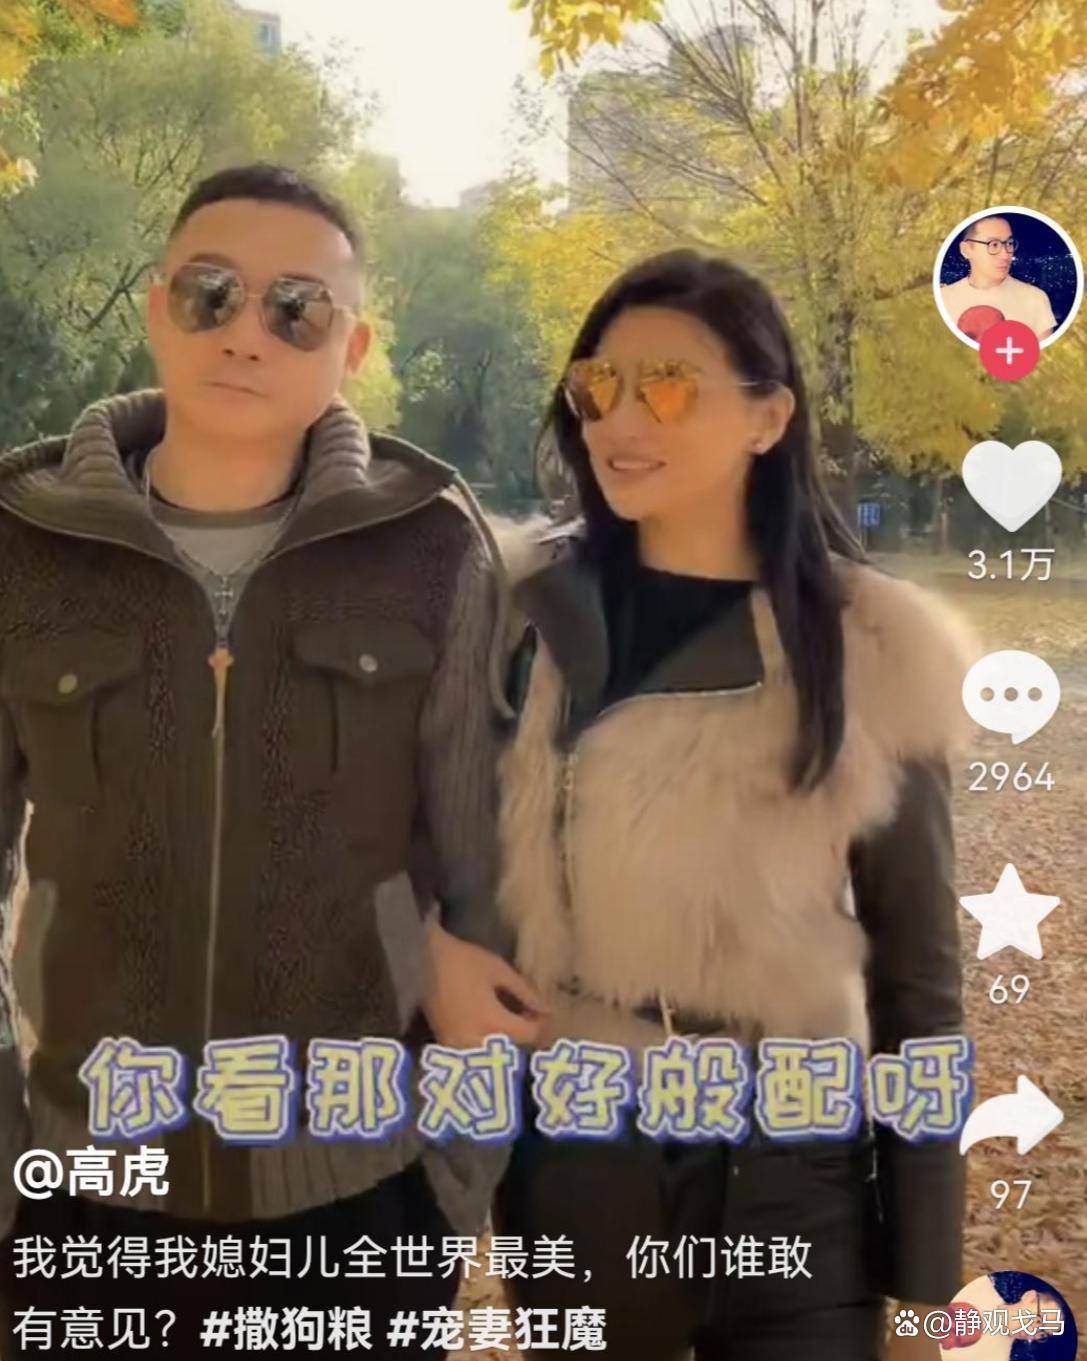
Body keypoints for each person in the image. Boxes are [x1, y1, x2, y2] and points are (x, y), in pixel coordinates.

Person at [0, 162, 542, 1359]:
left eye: (297, 308)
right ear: (157, 308)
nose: (247, 332)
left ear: (352, 346)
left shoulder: (429, 544)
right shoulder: (26, 540)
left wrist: (448, 1189)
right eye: (212, 293)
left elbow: (483, 881)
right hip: (87, 1193)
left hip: (360, 1202)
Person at [490, 249, 976, 1360]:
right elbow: (432, 859)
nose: (619, 420)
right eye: (597, 386)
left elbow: (919, 978)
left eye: (667, 386)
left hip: (792, 1172)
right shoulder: (517, 611)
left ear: (768, 417)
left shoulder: (867, 644)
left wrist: (925, 1280)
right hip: (581, 1155)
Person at [941, 215, 1057, 340]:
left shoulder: (1035, 299)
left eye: (1009, 243)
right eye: (994, 245)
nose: (1005, 255)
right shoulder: (944, 299)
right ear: (966, 249)